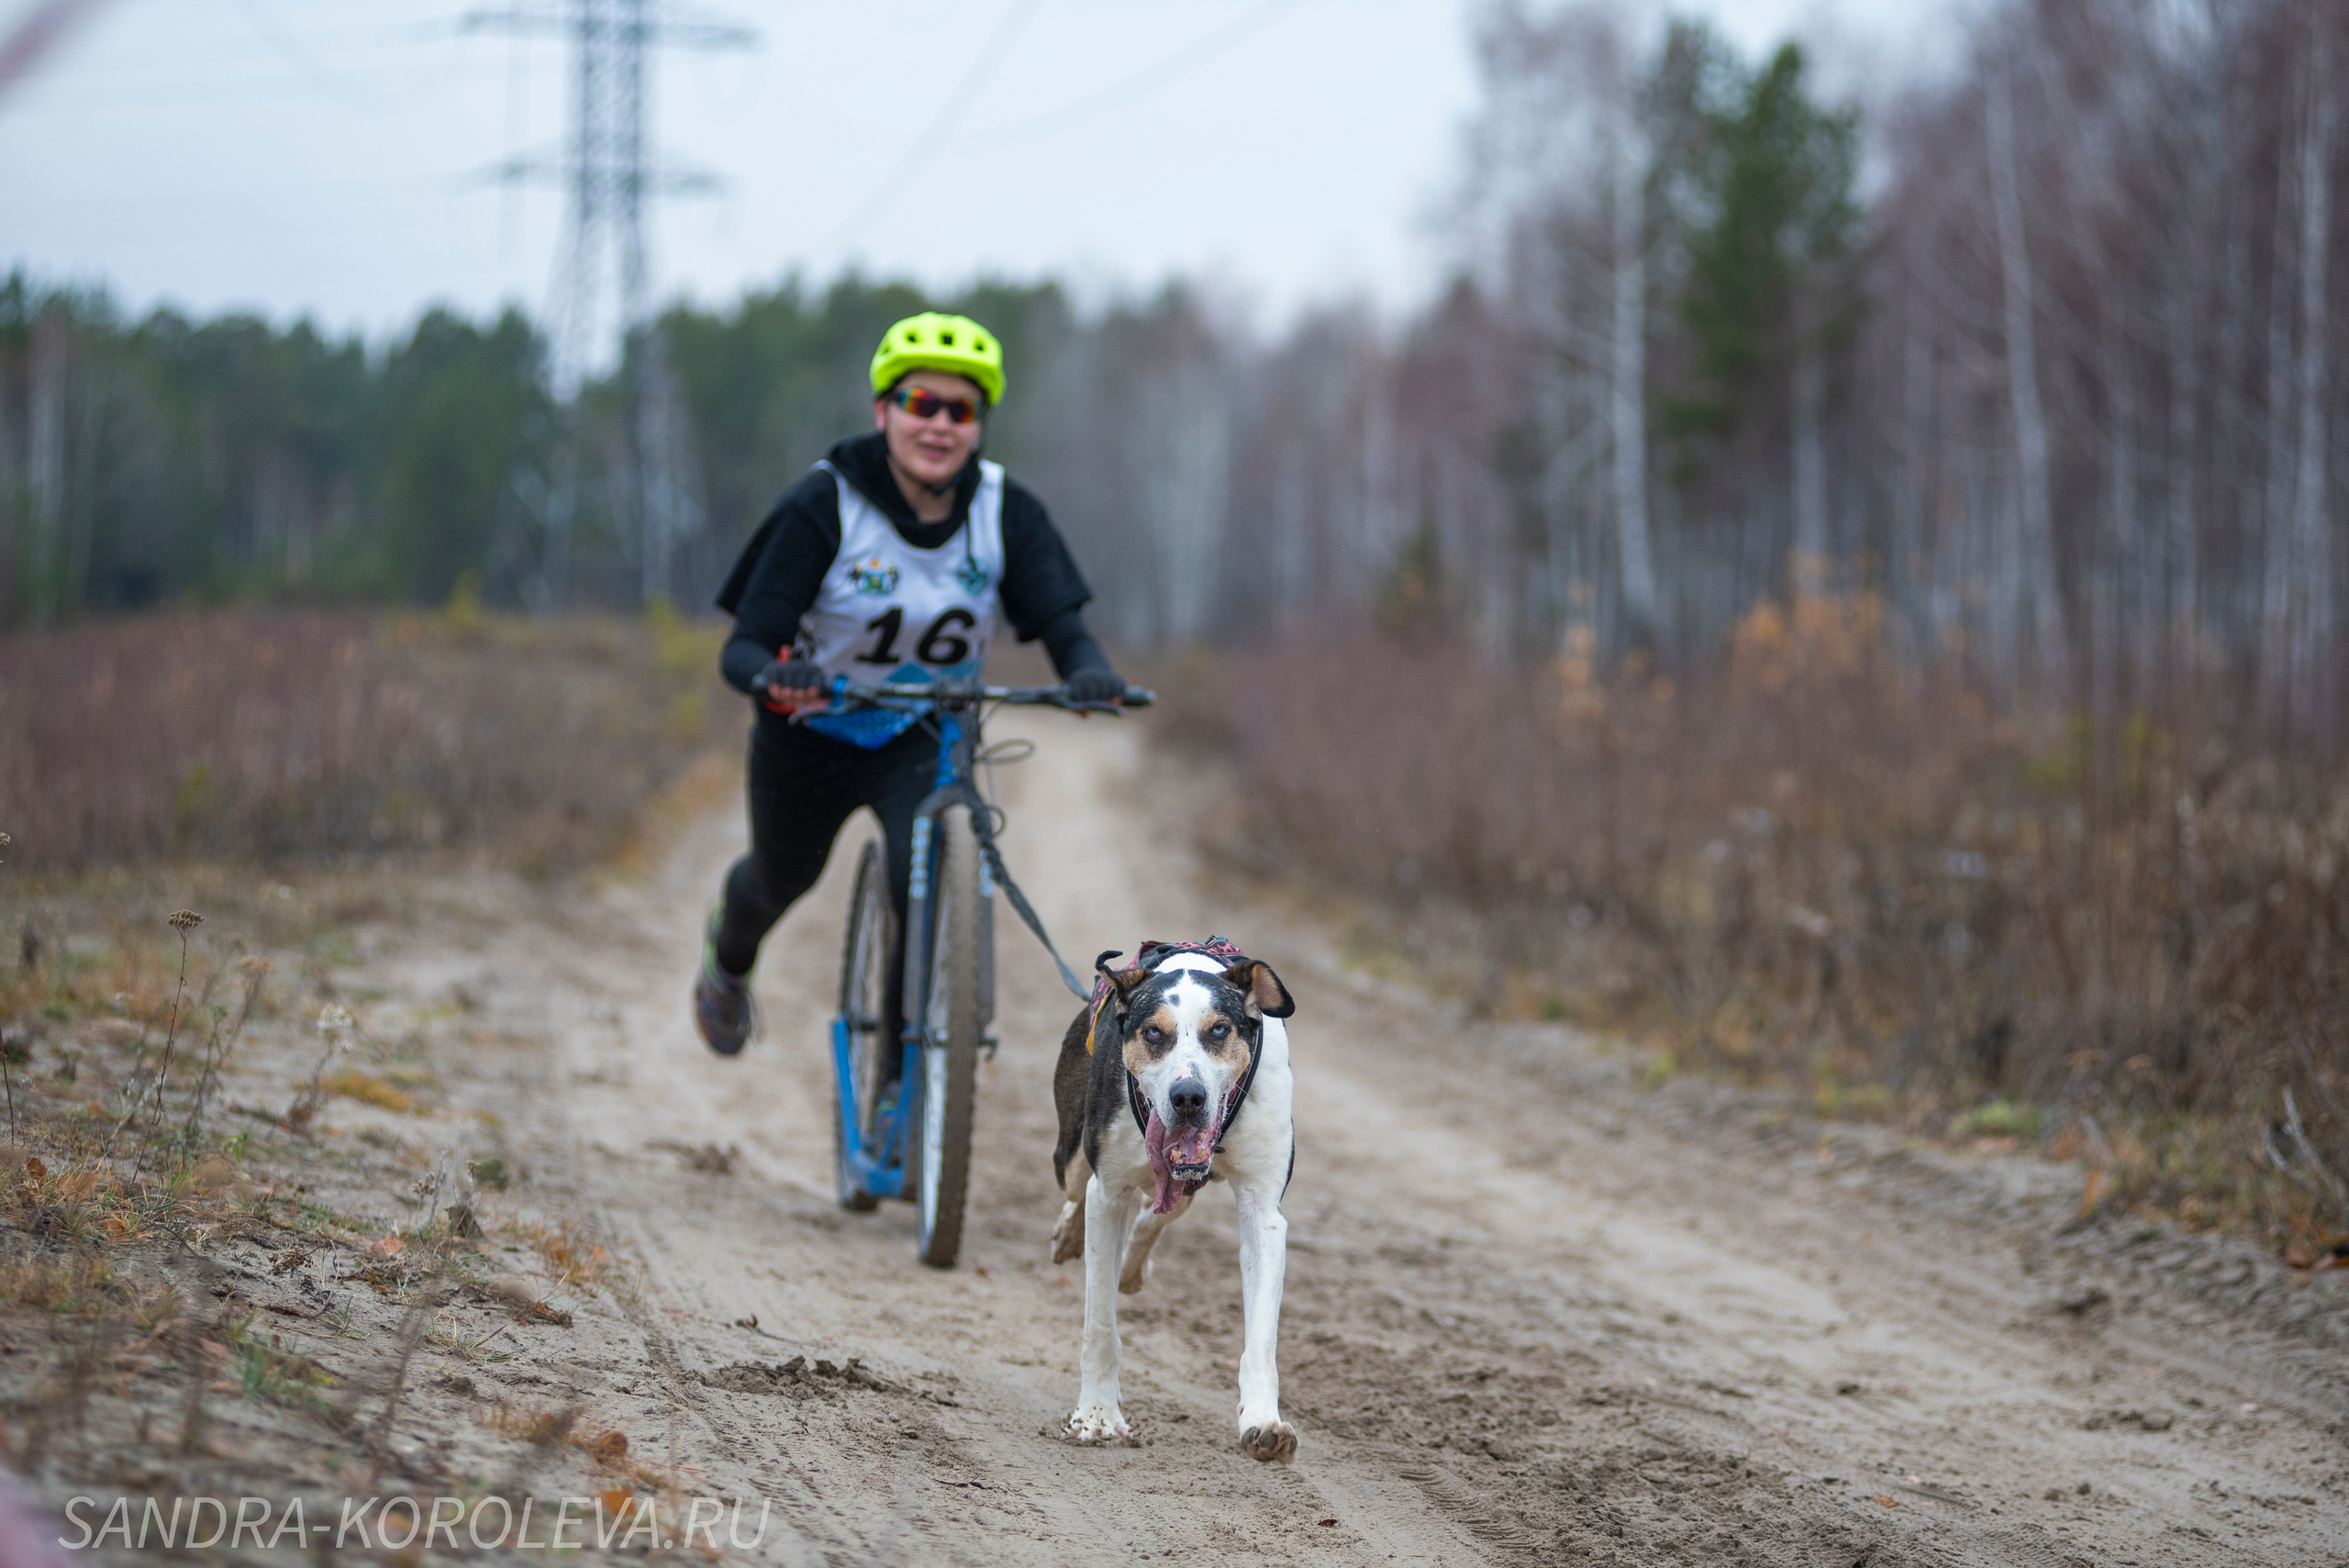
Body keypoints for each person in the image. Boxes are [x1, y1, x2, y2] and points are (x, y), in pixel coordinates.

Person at [694, 311, 1124, 1057]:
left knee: (919, 871)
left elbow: (1063, 625)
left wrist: (1087, 672)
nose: (939, 426)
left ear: (980, 425)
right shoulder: (825, 503)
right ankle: (725, 965)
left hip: (924, 733)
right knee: (777, 879)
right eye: (921, 404)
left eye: (959, 411)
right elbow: (744, 646)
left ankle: (904, 1069)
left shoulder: (1005, 511)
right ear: (883, 411)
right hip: (810, 734)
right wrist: (776, 675)